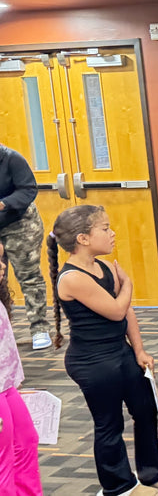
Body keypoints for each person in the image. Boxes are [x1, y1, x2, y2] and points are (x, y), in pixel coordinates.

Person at [48, 205, 158, 496]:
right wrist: (128, 284)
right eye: (104, 228)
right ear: (83, 239)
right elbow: (115, 310)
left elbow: (127, 313)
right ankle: (119, 486)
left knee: (145, 410)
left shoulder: (105, 267)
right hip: (93, 362)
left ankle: (154, 470)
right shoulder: (72, 278)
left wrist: (139, 350)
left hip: (119, 353)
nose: (112, 233)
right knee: (109, 424)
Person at [0, 241, 42, 495]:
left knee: (27, 442)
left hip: (6, 385)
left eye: (2, 258)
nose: (2, 266)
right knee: (3, 459)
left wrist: (15, 380)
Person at [0, 144, 51, 350]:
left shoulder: (11, 158)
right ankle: (4, 329)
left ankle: (39, 328)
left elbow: (28, 189)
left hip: (19, 223)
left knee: (28, 276)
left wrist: (3, 203)